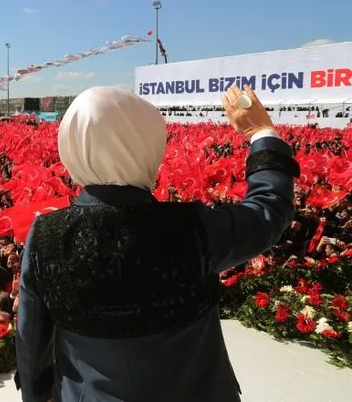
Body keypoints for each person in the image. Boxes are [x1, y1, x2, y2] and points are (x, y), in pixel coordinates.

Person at [16, 85, 298, 402]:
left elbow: (31, 346)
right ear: (149, 145)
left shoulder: (45, 235)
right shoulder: (194, 226)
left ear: (73, 145)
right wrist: (261, 132)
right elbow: (267, 212)